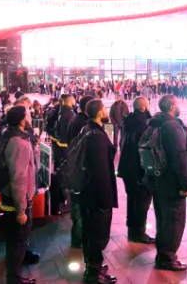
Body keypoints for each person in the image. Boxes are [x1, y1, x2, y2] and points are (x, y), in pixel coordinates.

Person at [147, 95, 187, 272]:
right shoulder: (173, 127)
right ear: (173, 106)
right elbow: (179, 158)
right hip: (172, 183)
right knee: (174, 221)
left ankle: (162, 254)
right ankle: (167, 258)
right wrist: (186, 184)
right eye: (178, 103)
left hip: (158, 179)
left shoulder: (155, 123)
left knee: (163, 219)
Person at [78, 99, 118, 284]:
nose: (106, 111)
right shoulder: (96, 136)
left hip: (89, 192)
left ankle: (93, 265)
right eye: (104, 109)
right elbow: (101, 170)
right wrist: (105, 201)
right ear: (99, 113)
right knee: (97, 233)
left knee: (91, 231)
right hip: (97, 195)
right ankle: (93, 273)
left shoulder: (88, 130)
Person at [0, 106, 38, 284]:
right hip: (18, 200)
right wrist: (21, 210)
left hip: (15, 197)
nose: (31, 116)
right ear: (22, 121)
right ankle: (14, 279)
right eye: (28, 114)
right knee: (18, 240)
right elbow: (18, 178)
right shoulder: (18, 142)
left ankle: (15, 271)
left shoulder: (14, 136)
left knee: (16, 239)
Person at [118, 96, 154, 243]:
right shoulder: (142, 124)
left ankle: (132, 229)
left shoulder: (129, 121)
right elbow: (143, 150)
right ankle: (138, 232)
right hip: (138, 170)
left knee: (132, 199)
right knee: (141, 202)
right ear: (144, 107)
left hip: (127, 168)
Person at [66, 95, 93, 248]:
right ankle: (79, 237)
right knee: (79, 207)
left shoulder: (76, 120)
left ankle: (78, 236)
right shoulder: (82, 124)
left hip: (75, 169)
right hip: (80, 170)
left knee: (77, 205)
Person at [51, 94, 75, 215]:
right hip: (65, 146)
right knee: (65, 171)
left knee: (60, 169)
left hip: (59, 146)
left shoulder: (60, 111)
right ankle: (64, 198)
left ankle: (61, 196)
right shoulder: (69, 113)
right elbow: (68, 131)